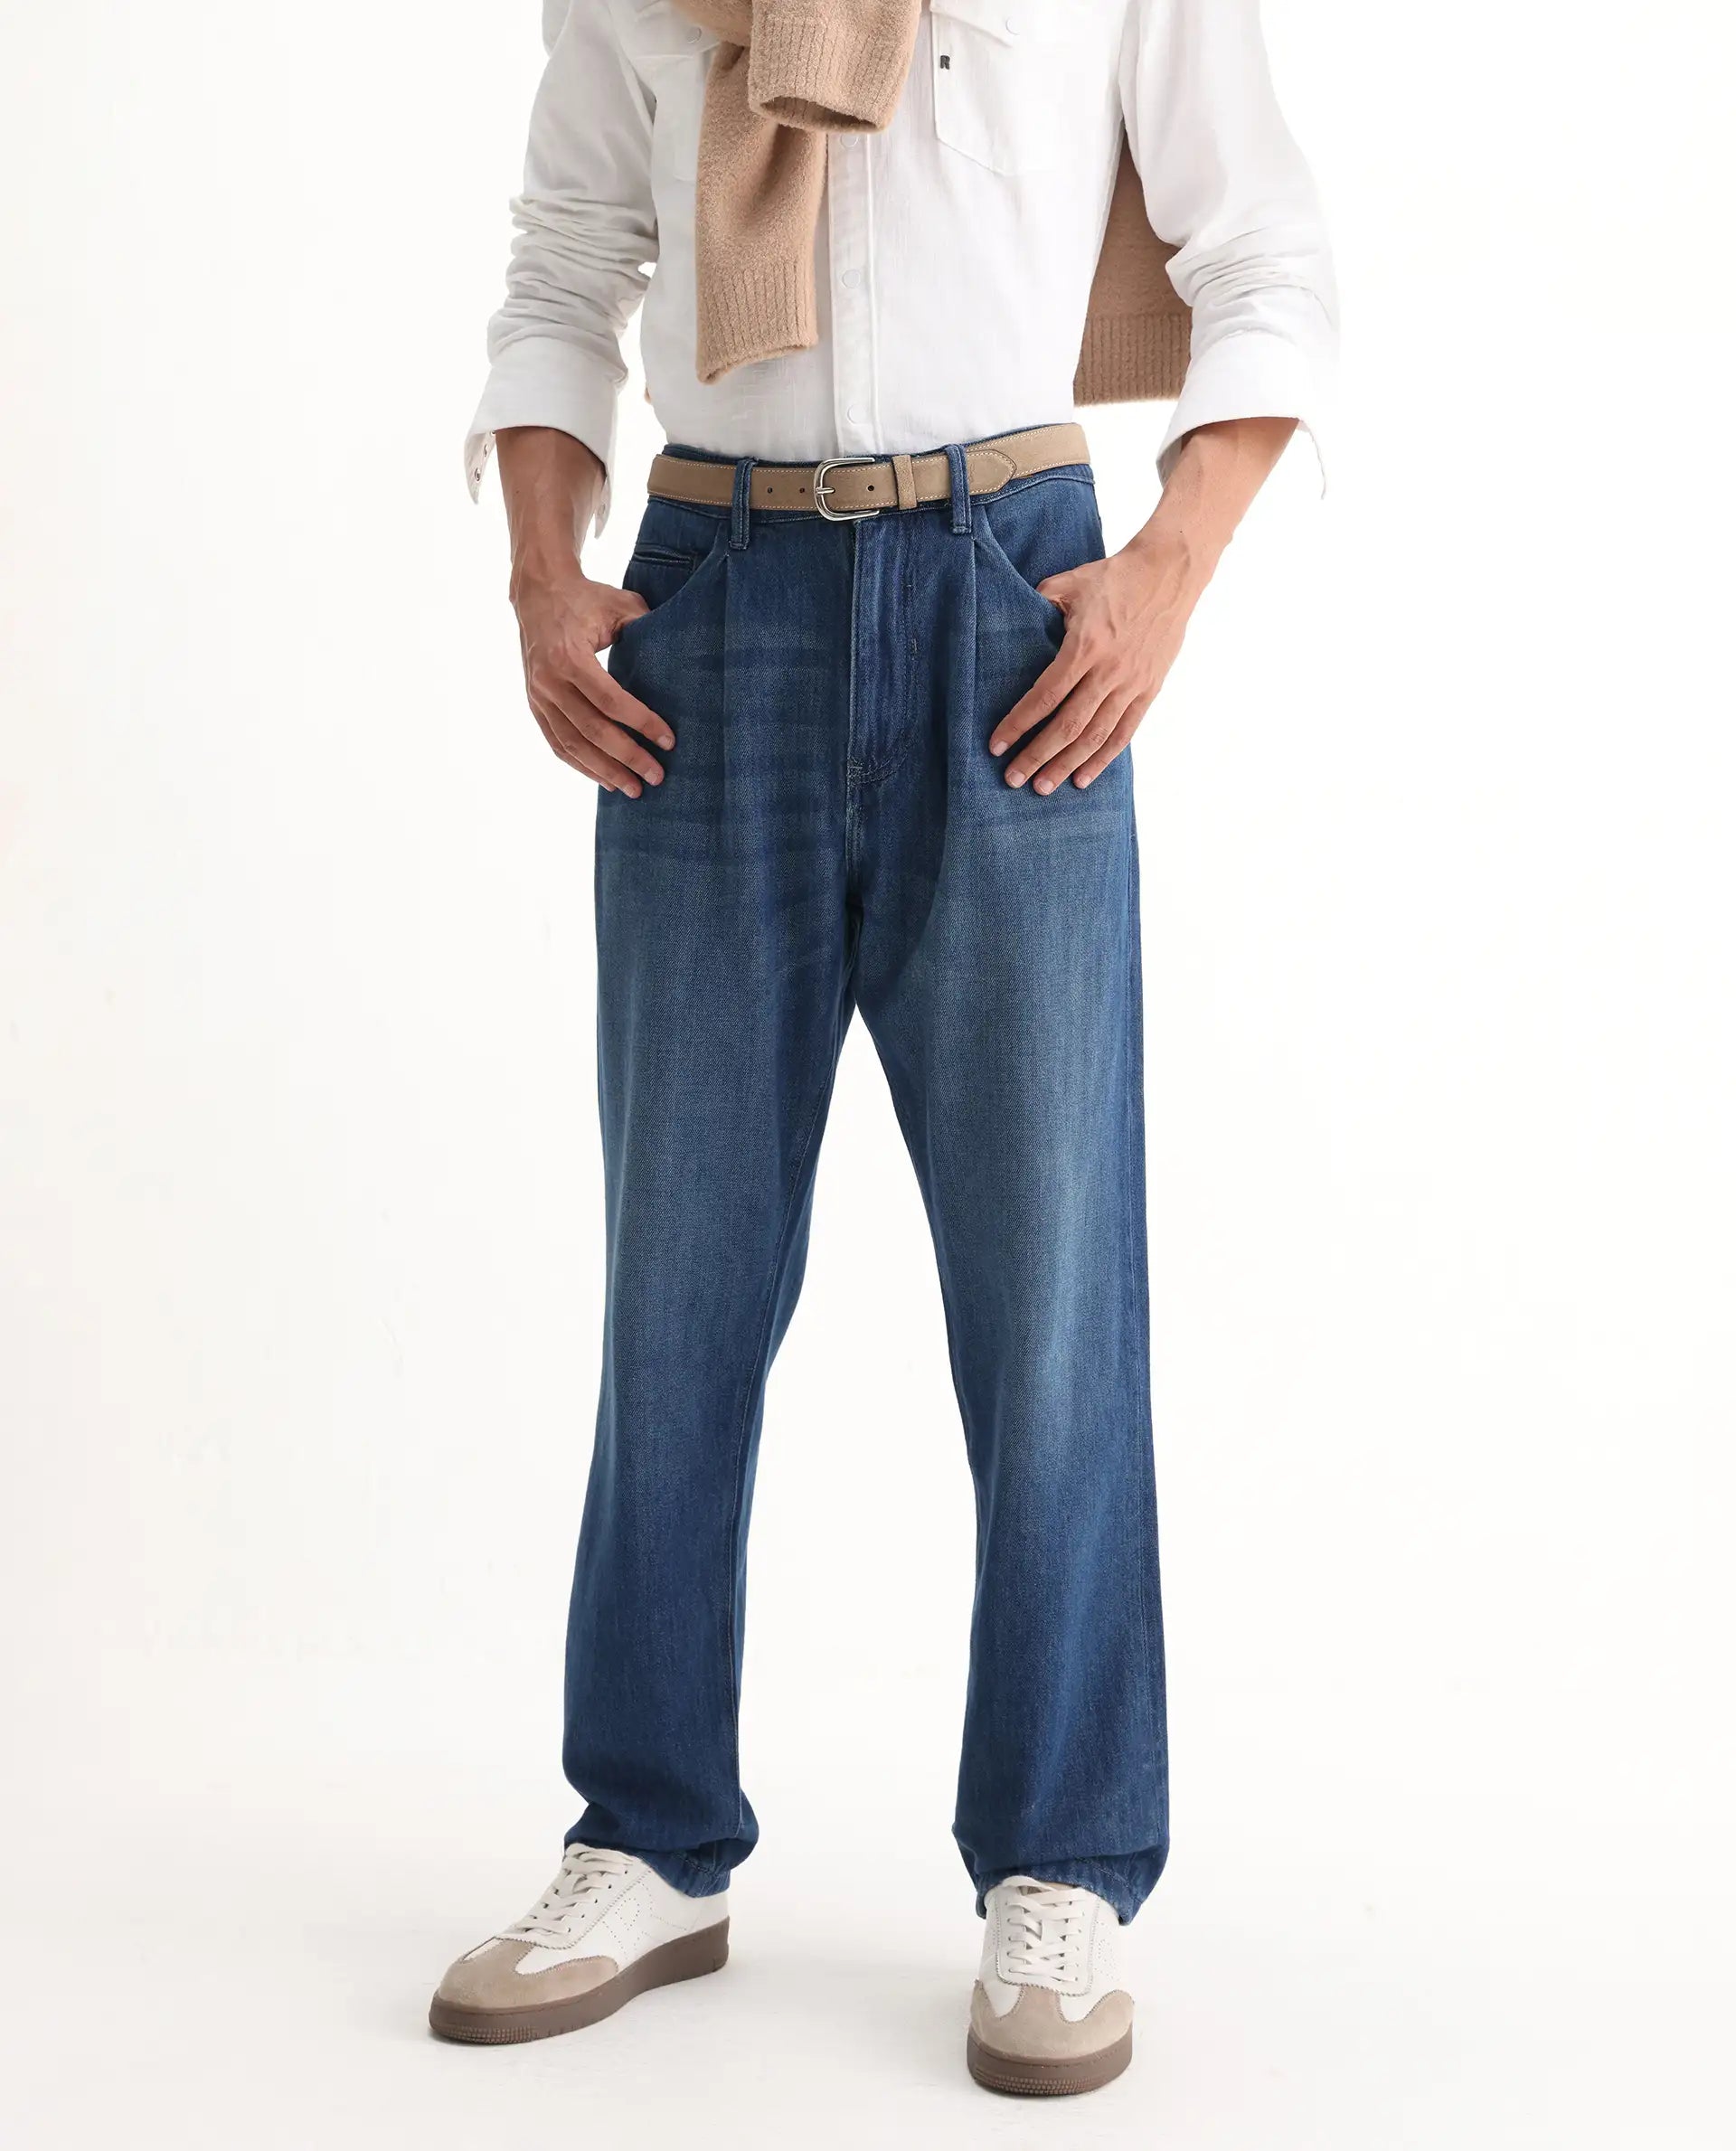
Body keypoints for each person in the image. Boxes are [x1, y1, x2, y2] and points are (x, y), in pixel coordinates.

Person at [430, 0, 1335, 2098]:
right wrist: (540, 575)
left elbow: (1266, 258)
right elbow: (568, 254)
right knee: (677, 1276)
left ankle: (1065, 1859)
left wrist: (1165, 574)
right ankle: (647, 1833)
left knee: (1049, 1290)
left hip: (1012, 591)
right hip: (709, 594)